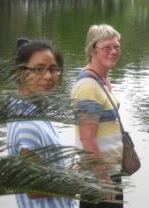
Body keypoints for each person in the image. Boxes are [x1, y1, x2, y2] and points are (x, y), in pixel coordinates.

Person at [7, 38, 74, 208]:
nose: (48, 76)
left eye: (53, 69)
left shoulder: (31, 110)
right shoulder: (26, 124)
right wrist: (77, 180)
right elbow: (34, 187)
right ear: (20, 73)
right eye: (39, 69)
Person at [71, 24, 124, 208]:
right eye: (106, 47)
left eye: (116, 46)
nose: (113, 51)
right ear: (93, 50)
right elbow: (87, 138)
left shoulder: (100, 80)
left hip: (108, 173)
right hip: (97, 178)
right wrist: (103, 178)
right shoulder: (88, 86)